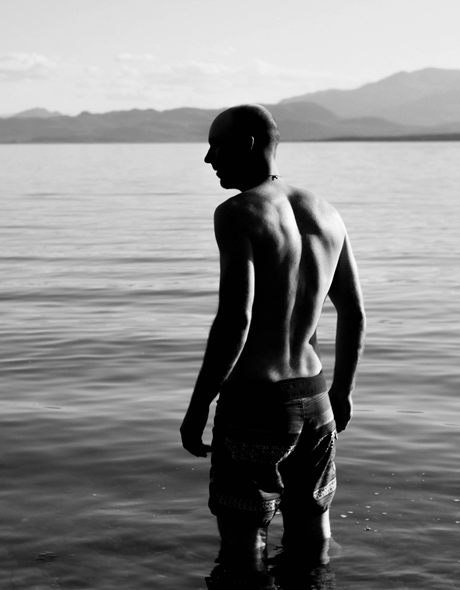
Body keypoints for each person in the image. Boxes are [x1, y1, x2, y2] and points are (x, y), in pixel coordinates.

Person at [181, 104, 366, 577]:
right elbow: (354, 311)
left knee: (245, 537)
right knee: (312, 524)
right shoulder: (326, 212)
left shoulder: (238, 213)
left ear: (246, 144)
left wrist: (199, 405)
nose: (208, 159)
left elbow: (235, 321)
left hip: (256, 403)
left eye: (215, 145)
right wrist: (342, 392)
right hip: (315, 397)